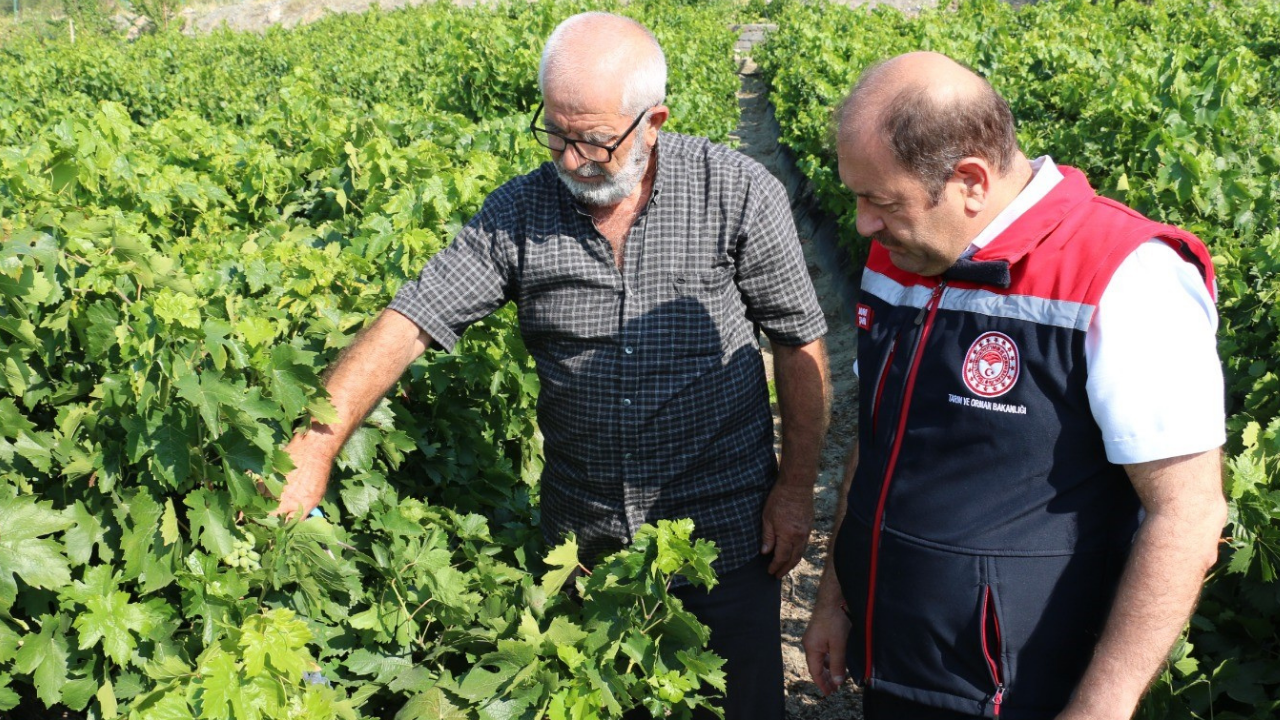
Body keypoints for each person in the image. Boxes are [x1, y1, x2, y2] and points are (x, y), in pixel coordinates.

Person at [273, 12, 830, 718]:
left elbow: (799, 341)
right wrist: (316, 443)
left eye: (593, 141)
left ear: (652, 121)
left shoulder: (738, 191)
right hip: (585, 554)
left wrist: (796, 487)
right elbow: (414, 318)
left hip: (722, 539)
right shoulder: (520, 211)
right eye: (557, 135)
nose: (570, 160)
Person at [801, 52, 1227, 720]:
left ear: (970, 180)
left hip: (1020, 696)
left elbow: (1188, 514)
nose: (862, 225)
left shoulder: (1126, 278)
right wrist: (836, 595)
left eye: (881, 201)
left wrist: (1101, 706)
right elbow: (877, 438)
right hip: (895, 669)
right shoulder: (902, 253)